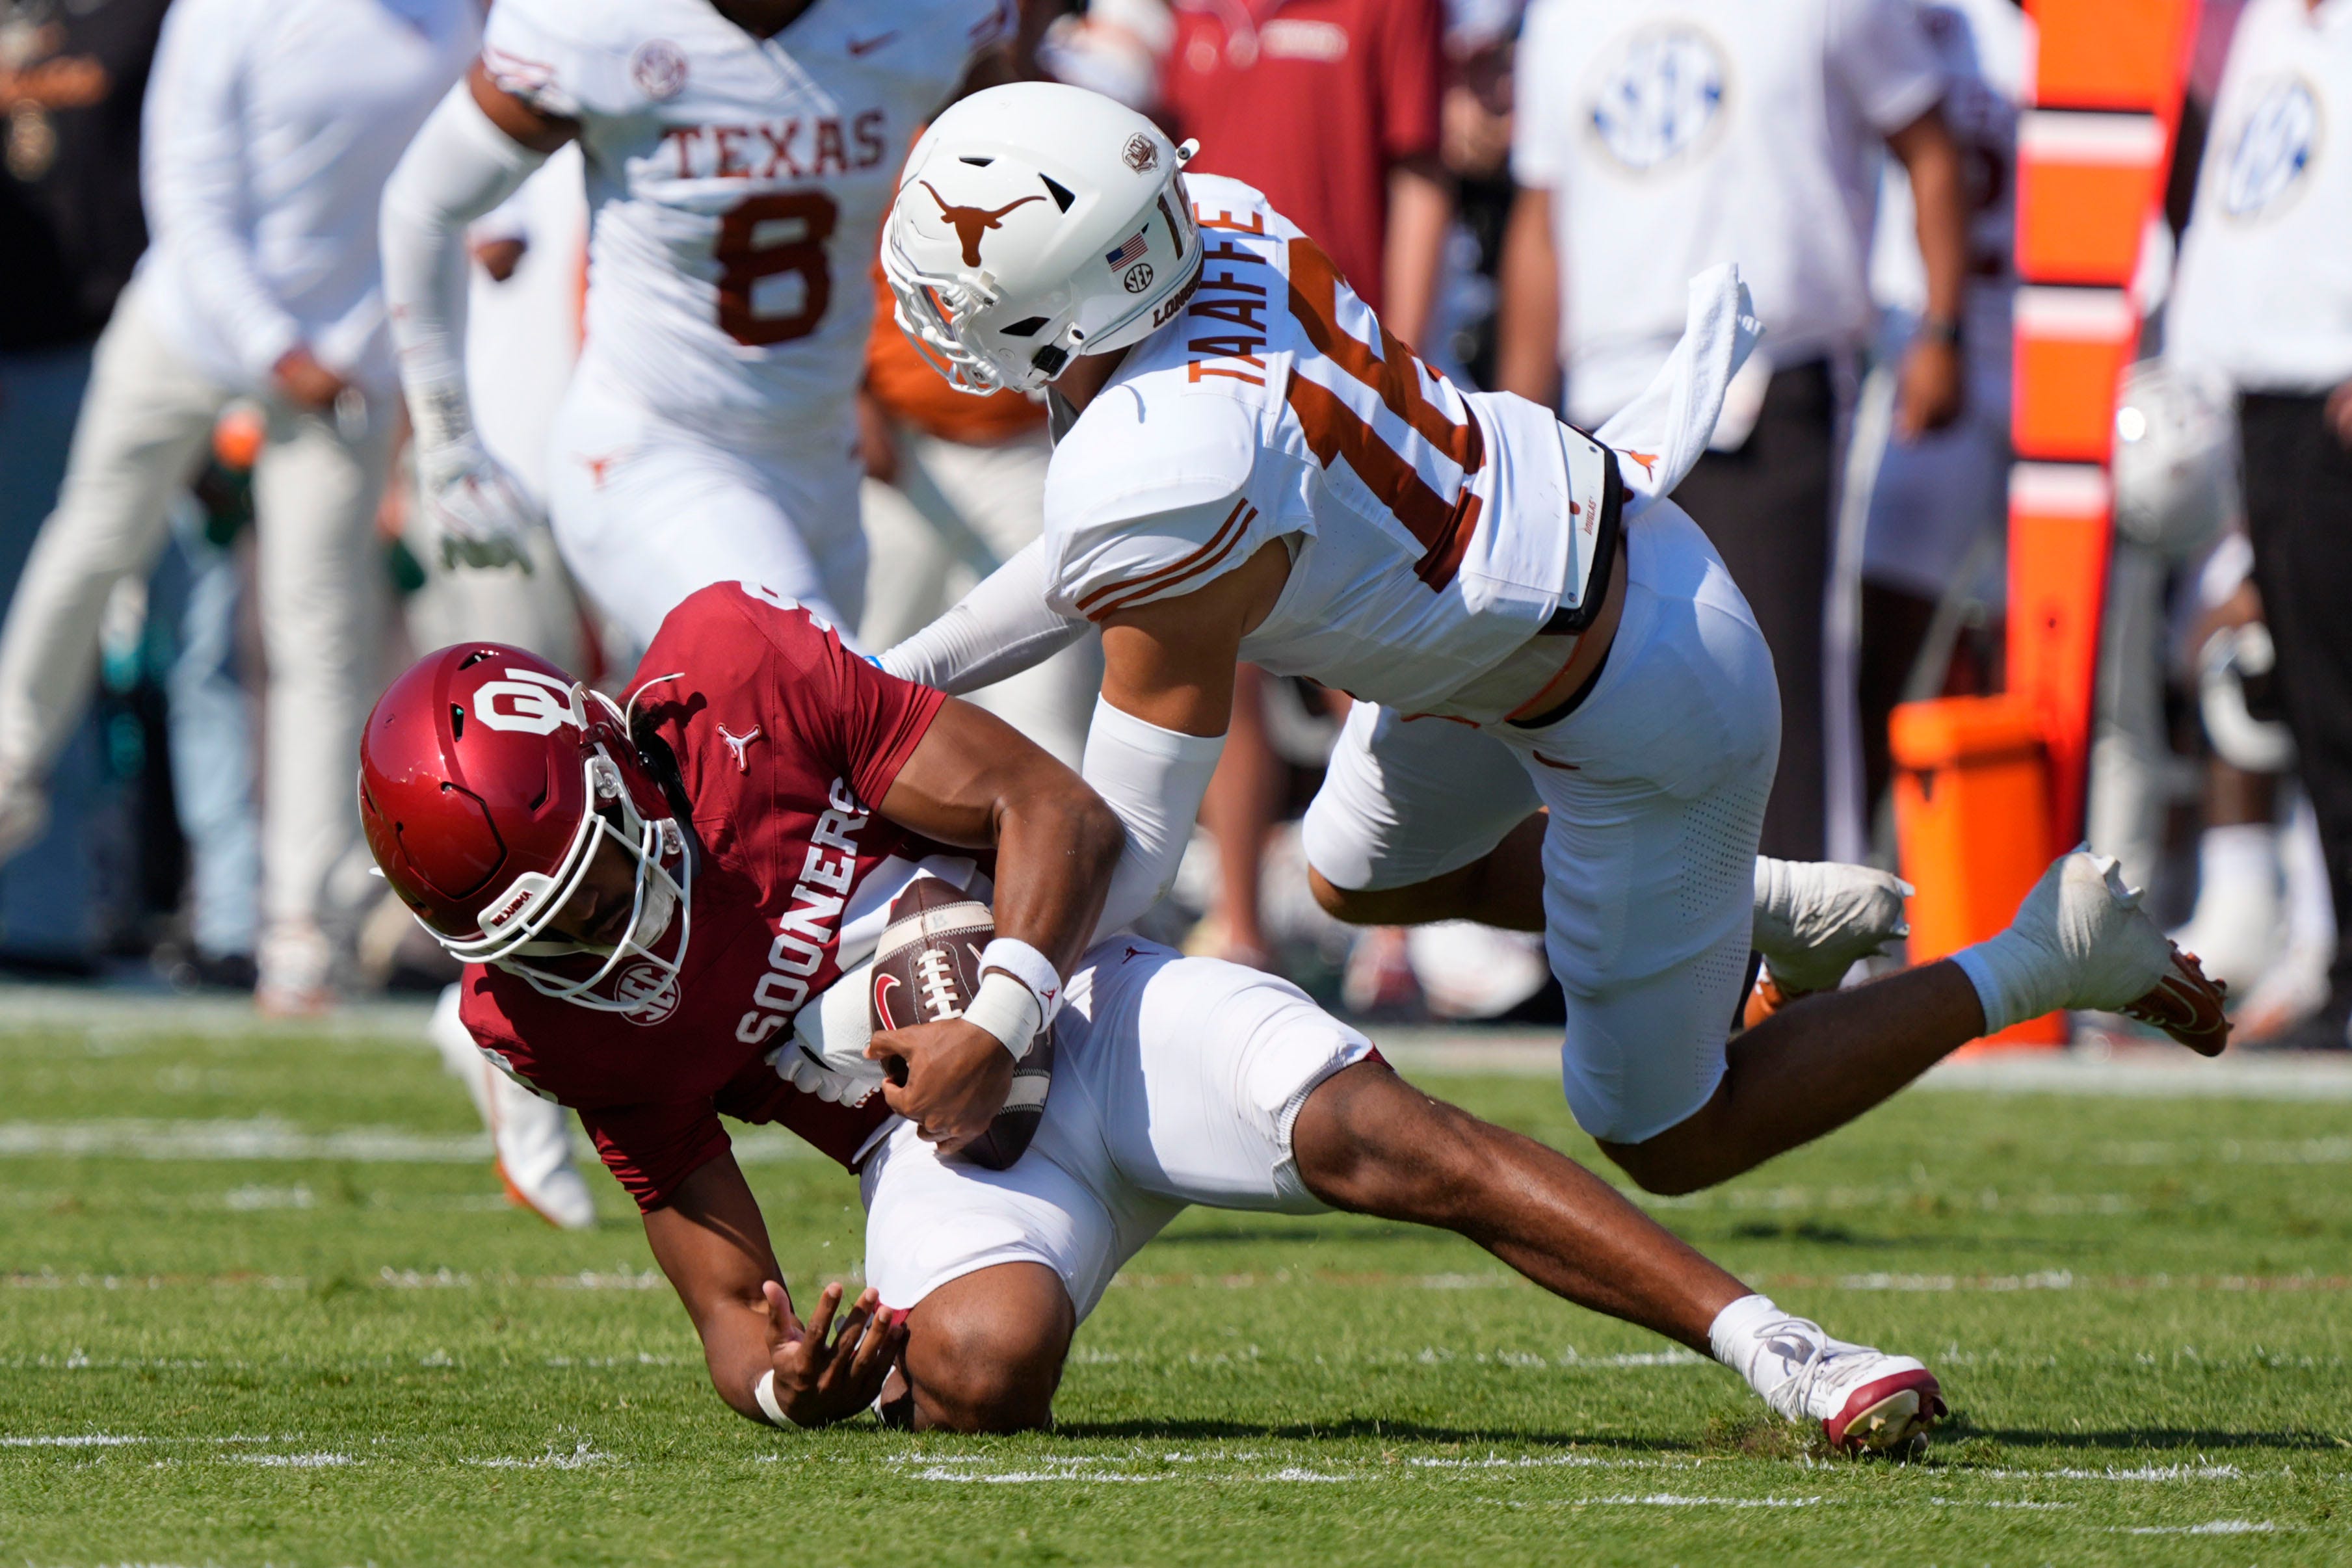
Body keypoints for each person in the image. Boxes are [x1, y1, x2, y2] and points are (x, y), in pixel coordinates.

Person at [877, 83, 2225, 1196]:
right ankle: (1748, 909)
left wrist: (994, 1013)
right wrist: (892, 689)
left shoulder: (1159, 469)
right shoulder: (1213, 227)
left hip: (1644, 692)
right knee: (1351, 874)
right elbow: (1097, 564)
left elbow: (1117, 835)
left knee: (1663, 1135)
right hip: (1513, 611)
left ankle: (2043, 951)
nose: (932, 319)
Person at [356, 582, 1950, 1450]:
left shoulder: (734, 678)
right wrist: (788, 1383)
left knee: (1383, 1135)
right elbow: (724, 1299)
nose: (590, 943)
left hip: (1085, 1002)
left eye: (585, 888)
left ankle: (1783, 1351)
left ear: (614, 767)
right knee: (978, 1370)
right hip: (932, 1152)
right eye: (540, 934)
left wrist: (996, 1005)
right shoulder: (548, 1016)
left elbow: (1049, 811)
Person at [0, 0, 478, 1012]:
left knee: (319, 632)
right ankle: (9, 764)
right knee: (93, 542)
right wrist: (274, 346)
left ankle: (308, 920)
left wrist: (383, 364)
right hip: (188, 326)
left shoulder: (455, 23)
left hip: (343, 363)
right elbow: (190, 194)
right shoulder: (227, 9)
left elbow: (471, 191)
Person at [377, 0, 1024, 656]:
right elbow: (423, 207)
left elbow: (1019, 177)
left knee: (782, 745)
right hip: (656, 452)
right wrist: (447, 444)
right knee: (826, 702)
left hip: (823, 460)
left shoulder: (925, 16)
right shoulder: (598, 22)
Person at [1494, 0, 1970, 861]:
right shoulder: (1560, 17)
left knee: (1774, 687)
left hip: (1766, 377)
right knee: (1613, 706)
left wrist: (1941, 328)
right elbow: (1540, 217)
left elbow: (1929, 145)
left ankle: (1802, 969)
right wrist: (1519, 419)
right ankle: (1644, 960)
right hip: (1604, 398)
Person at [1150, 0, 1453, 970]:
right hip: (1195, 363)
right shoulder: (1164, 16)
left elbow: (1419, 175)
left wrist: (1400, 351)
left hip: (1336, 363)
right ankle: (1240, 925)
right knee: (1213, 643)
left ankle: (1407, 923)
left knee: (1366, 651)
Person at [2167, 0, 2352, 1052]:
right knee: (2311, 704)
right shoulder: (2269, 24)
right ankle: (2339, 966)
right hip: (2261, 398)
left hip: (2331, 388)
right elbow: (2238, 210)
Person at [0, 0, 172, 969]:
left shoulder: (151, 16)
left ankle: (80, 909)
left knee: (189, 647)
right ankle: (46, 906)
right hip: (25, 355)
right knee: (39, 634)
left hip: (133, 347)